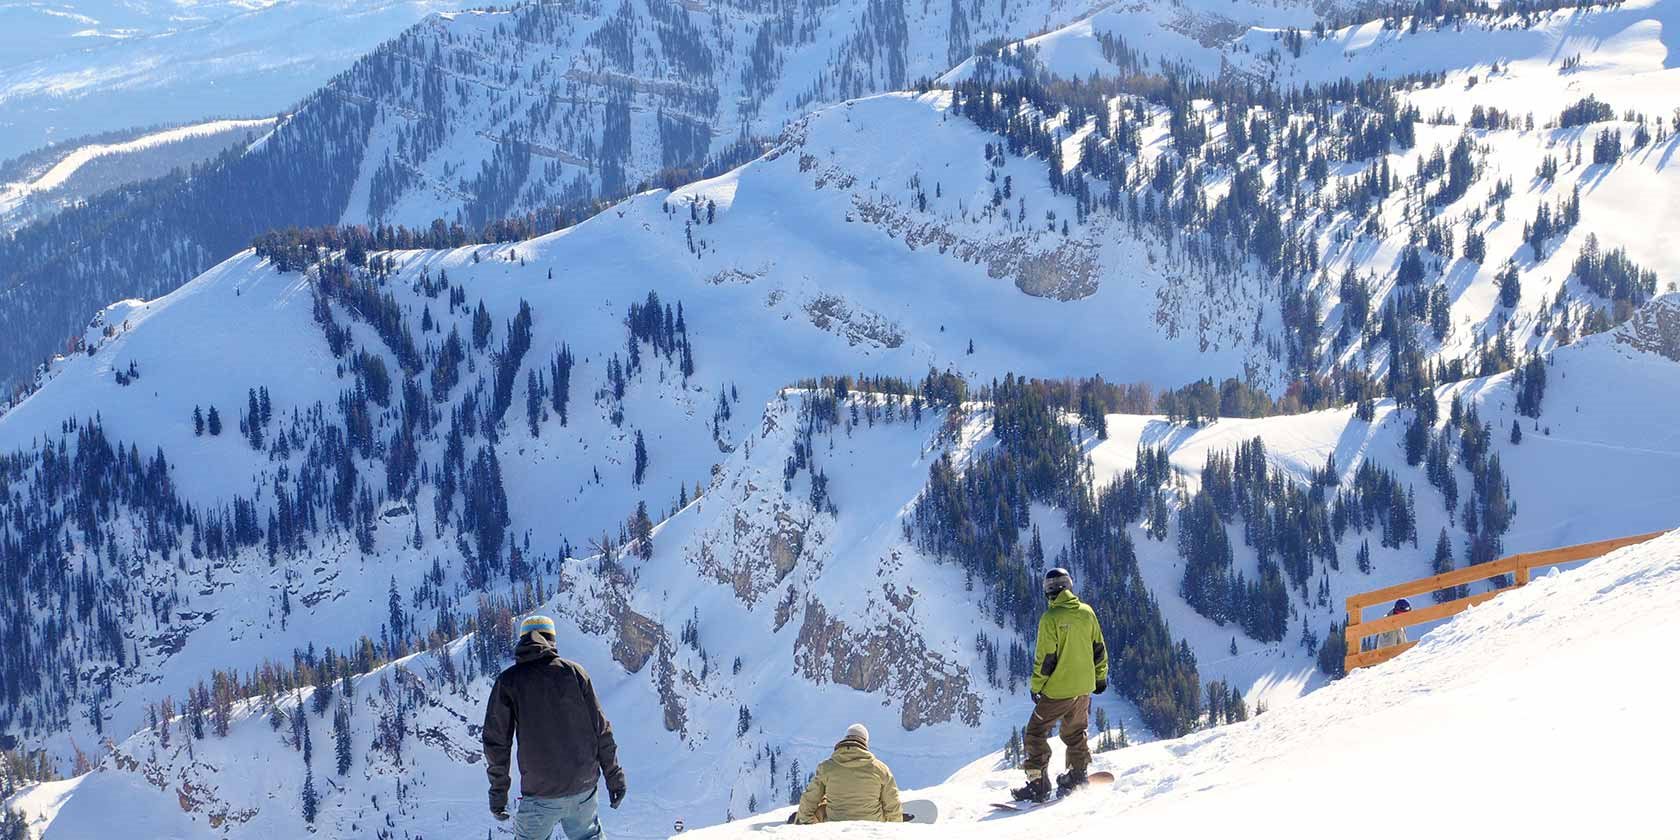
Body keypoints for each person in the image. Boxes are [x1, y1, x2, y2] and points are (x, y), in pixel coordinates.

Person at [483, 615, 627, 840]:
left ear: (522, 642)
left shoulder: (508, 681)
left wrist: (498, 793)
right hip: (583, 788)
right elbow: (601, 730)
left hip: (540, 793)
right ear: (552, 640)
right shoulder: (575, 672)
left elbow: (496, 743)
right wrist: (614, 776)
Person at [1012, 568, 1108, 803]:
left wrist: (1037, 686)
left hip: (1058, 690)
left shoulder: (1051, 619)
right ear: (1069, 586)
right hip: (1084, 687)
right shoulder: (1086, 612)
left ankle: (1037, 784)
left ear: (1048, 591)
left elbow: (1046, 659)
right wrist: (1100, 677)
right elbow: (1098, 648)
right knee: (1075, 732)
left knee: (1035, 732)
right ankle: (1077, 775)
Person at [794, 724, 903, 824]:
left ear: (845, 738)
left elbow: (809, 799)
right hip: (873, 827)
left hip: (834, 826)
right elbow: (893, 804)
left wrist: (808, 822)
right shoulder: (880, 769)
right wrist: (893, 828)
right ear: (865, 742)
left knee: (822, 806)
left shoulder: (826, 767)